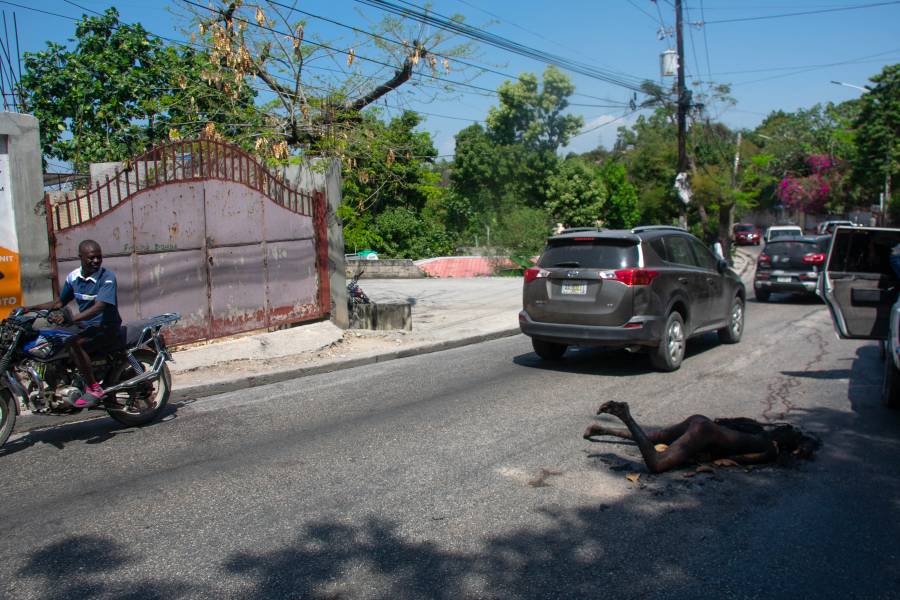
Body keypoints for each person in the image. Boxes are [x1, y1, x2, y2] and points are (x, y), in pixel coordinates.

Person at [583, 401, 818, 474]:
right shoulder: (770, 448)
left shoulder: (756, 430)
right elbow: (741, 460)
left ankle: (602, 430)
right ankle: (626, 417)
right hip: (704, 432)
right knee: (657, 463)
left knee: (654, 437)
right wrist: (705, 462)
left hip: (701, 421)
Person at [25, 239, 122, 408]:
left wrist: (71, 319)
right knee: (53, 338)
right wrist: (28, 308)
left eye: (99, 257)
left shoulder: (107, 278)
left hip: (105, 326)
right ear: (81, 257)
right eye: (91, 258)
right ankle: (60, 381)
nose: (96, 261)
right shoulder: (73, 277)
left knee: (73, 342)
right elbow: (59, 303)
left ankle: (94, 388)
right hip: (85, 326)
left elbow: (99, 307)